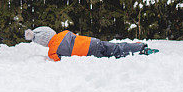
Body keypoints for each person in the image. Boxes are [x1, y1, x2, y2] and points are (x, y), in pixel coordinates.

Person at [24, 27, 157, 61]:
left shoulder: (52, 51)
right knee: (116, 48)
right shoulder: (64, 33)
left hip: (89, 53)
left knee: (113, 56)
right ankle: (140, 48)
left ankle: (135, 54)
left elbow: (56, 59)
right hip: (93, 42)